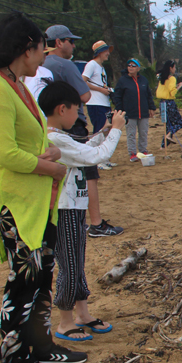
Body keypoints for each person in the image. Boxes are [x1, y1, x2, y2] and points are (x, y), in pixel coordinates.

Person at [0, 12, 88, 363]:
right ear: (27, 48)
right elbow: (4, 154)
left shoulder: (18, 85)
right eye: (41, 47)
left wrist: (50, 156)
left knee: (42, 277)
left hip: (40, 203)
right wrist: (51, 167)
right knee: (23, 280)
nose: (45, 54)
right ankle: (14, 354)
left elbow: (35, 141)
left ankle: (41, 344)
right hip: (17, 203)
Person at [41, 81, 126, 342]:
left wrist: (103, 131)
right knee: (68, 265)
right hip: (64, 211)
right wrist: (116, 132)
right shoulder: (54, 138)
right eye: (77, 110)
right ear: (62, 108)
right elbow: (96, 156)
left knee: (76, 262)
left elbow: (86, 148)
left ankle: (83, 315)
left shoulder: (61, 137)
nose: (78, 115)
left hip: (75, 209)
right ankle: (66, 322)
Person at [45, 25, 123, 238]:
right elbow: (85, 95)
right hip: (72, 123)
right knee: (88, 170)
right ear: (59, 42)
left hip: (52, 126)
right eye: (70, 41)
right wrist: (115, 129)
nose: (74, 45)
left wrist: (100, 133)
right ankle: (95, 223)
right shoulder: (65, 65)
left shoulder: (41, 66)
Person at [112, 58, 156, 161]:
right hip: (129, 112)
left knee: (143, 132)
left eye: (133, 65)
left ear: (138, 68)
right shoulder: (123, 81)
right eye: (129, 65)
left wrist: (151, 107)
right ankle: (132, 153)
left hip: (143, 112)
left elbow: (148, 95)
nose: (130, 67)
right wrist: (120, 109)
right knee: (131, 133)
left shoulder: (144, 80)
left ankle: (143, 150)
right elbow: (117, 96)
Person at [82, 41, 116, 170]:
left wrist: (106, 89)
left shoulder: (101, 67)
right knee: (99, 131)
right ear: (100, 52)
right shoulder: (91, 65)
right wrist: (100, 90)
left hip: (104, 102)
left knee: (106, 130)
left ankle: (104, 158)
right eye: (106, 51)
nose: (108, 54)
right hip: (95, 103)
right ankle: (98, 160)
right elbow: (83, 80)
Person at [156, 59, 182, 150]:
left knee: (167, 124)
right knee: (179, 122)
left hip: (162, 103)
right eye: (174, 67)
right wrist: (178, 87)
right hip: (169, 103)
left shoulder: (161, 78)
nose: (175, 69)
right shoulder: (172, 78)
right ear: (170, 68)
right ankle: (169, 135)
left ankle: (163, 146)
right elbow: (172, 92)